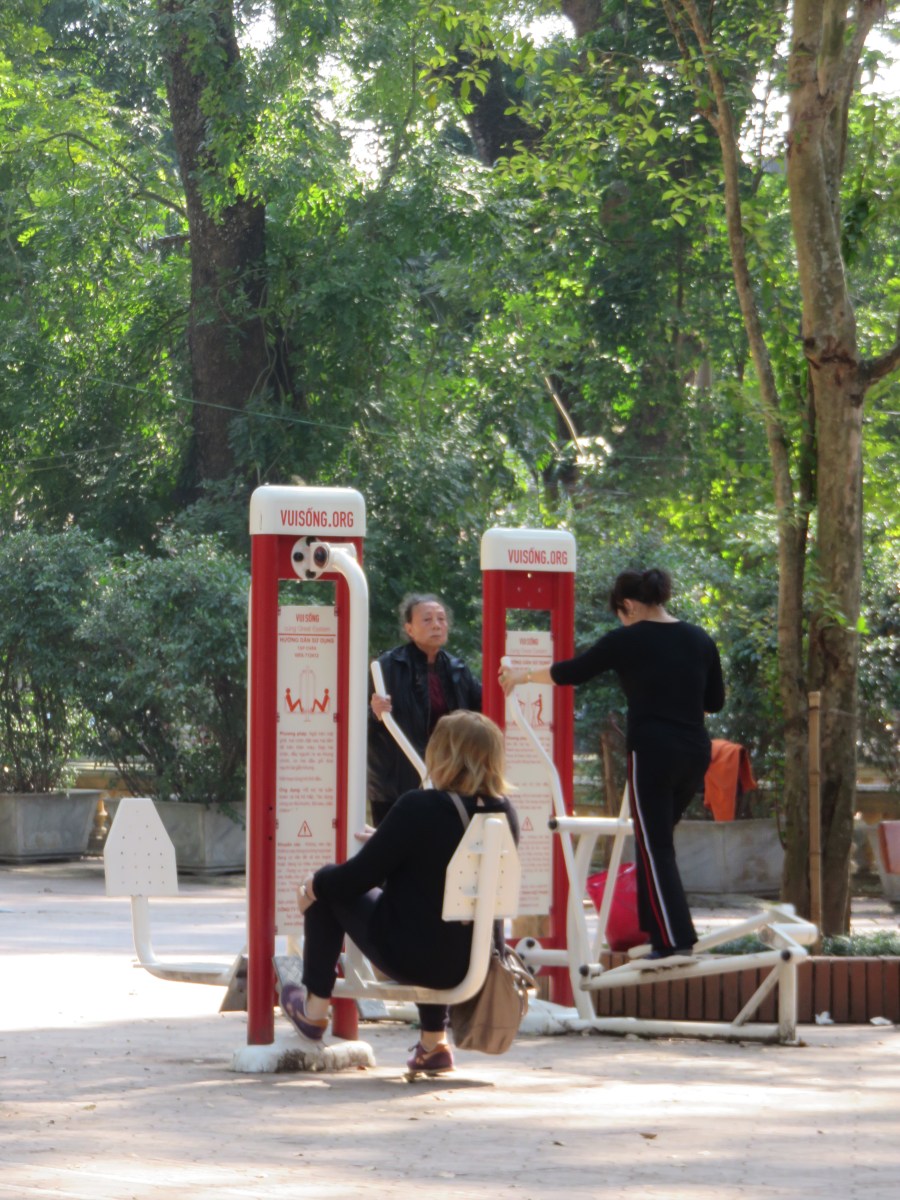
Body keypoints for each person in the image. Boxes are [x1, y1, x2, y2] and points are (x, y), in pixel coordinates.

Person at [500, 567, 725, 963]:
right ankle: (659, 932)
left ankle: (674, 941)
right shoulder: (700, 638)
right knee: (657, 844)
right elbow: (715, 702)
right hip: (695, 753)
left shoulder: (627, 639)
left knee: (654, 846)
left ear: (629, 605)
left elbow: (573, 671)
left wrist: (521, 676)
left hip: (653, 752)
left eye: (620, 614)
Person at [280, 710, 519, 1075]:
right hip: (474, 961)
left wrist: (310, 886)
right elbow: (443, 853)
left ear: (442, 753)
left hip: (413, 958)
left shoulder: (418, 806)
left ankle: (313, 1010)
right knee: (434, 913)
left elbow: (354, 880)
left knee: (329, 884)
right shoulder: (505, 813)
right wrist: (391, 839)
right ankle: (433, 1043)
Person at [367, 592, 482, 827]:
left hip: (447, 778)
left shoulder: (458, 669)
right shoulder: (387, 666)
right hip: (397, 783)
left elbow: (482, 711)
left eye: (441, 619)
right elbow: (355, 721)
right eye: (427, 620)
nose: (436, 625)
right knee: (397, 845)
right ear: (409, 629)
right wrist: (374, 713)